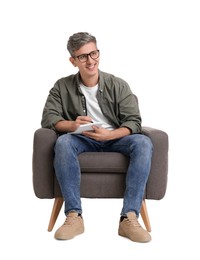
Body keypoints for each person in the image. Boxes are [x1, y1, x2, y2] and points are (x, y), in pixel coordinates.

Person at [41, 32, 153, 243]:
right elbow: (49, 118)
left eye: (93, 53)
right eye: (82, 56)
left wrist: (110, 134)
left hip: (115, 138)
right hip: (82, 139)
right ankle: (74, 216)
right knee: (63, 141)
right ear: (73, 61)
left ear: (98, 53)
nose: (90, 61)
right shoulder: (61, 86)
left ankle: (129, 218)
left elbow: (134, 121)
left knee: (144, 143)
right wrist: (72, 125)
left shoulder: (118, 84)